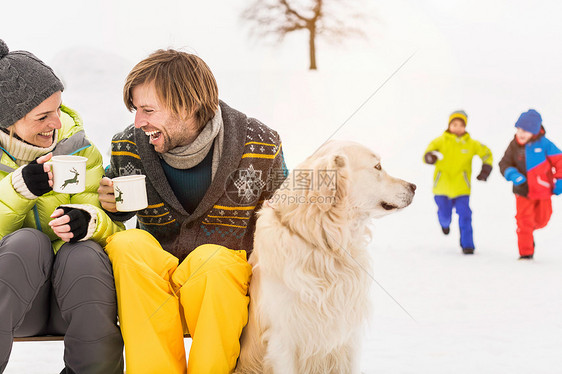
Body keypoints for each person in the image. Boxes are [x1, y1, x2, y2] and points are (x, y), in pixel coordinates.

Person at [98, 48, 286, 373]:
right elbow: (116, 209)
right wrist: (110, 207)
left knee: (212, 260)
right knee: (128, 244)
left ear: (189, 105)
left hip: (222, 286)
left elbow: (287, 219)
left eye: (148, 110)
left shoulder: (261, 146)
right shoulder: (129, 145)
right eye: (135, 110)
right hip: (156, 284)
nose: (138, 122)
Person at [0, 40, 124, 373]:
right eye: (43, 116)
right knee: (29, 242)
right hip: (13, 306)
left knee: (82, 252)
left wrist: (91, 221)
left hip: (75, 300)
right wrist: (17, 189)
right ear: (8, 122)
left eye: (58, 108)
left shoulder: (79, 149)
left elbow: (114, 233)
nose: (56, 122)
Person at [423, 110, 493, 254]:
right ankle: (445, 224)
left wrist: (485, 170)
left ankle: (467, 245)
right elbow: (427, 154)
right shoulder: (440, 141)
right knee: (444, 215)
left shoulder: (471, 144)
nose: (457, 127)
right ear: (449, 125)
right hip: (441, 188)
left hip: (462, 189)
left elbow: (487, 154)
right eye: (454, 124)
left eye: (461, 125)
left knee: (465, 215)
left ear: (465, 127)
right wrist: (431, 157)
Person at [499, 109, 562, 259]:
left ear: (535, 131)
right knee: (523, 221)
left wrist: (559, 180)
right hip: (522, 191)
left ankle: (528, 230)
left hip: (543, 191)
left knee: (542, 220)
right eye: (519, 129)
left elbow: (560, 161)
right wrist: (514, 176)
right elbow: (504, 163)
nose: (521, 133)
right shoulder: (514, 145)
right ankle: (526, 252)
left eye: (526, 130)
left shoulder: (545, 144)